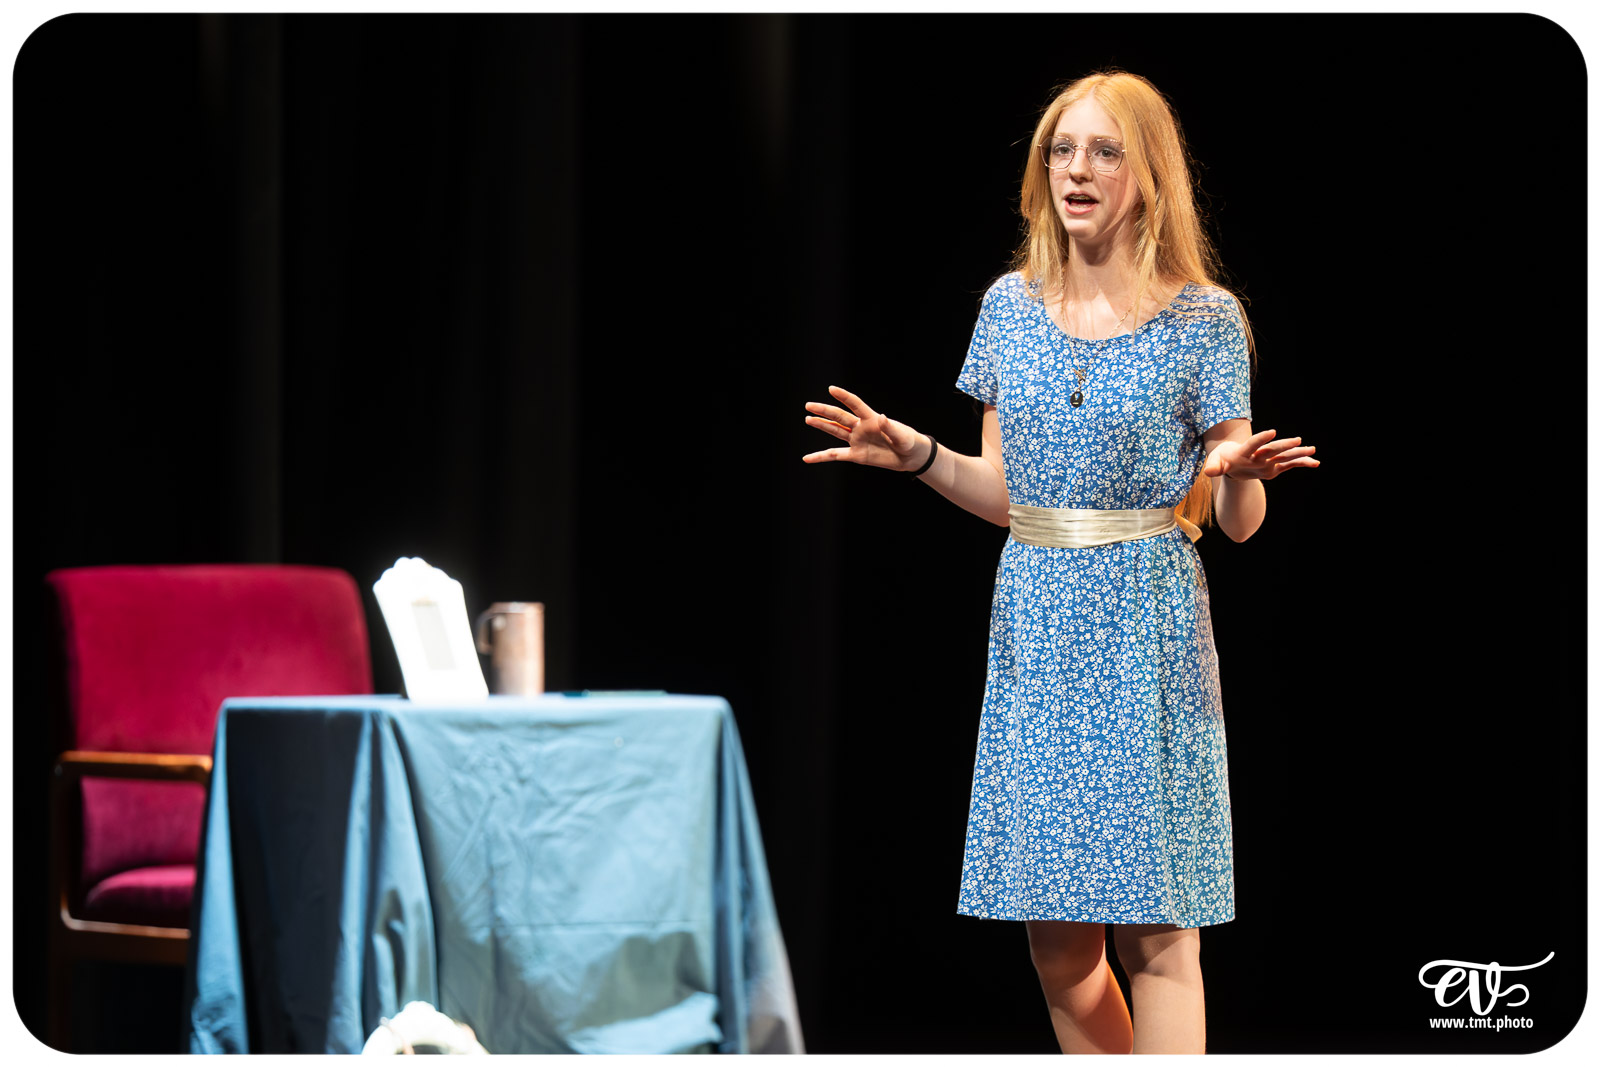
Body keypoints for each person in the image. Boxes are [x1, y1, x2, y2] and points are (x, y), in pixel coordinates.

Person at [801, 70, 1318, 1054]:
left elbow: (1240, 520)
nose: (1076, 169)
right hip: (1039, 621)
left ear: (1148, 174)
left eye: (1102, 150)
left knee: (1157, 927)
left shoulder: (1203, 320)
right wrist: (913, 453)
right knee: (1057, 941)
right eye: (1060, 150)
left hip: (1144, 622)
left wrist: (1239, 473)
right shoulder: (1007, 307)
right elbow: (1006, 494)